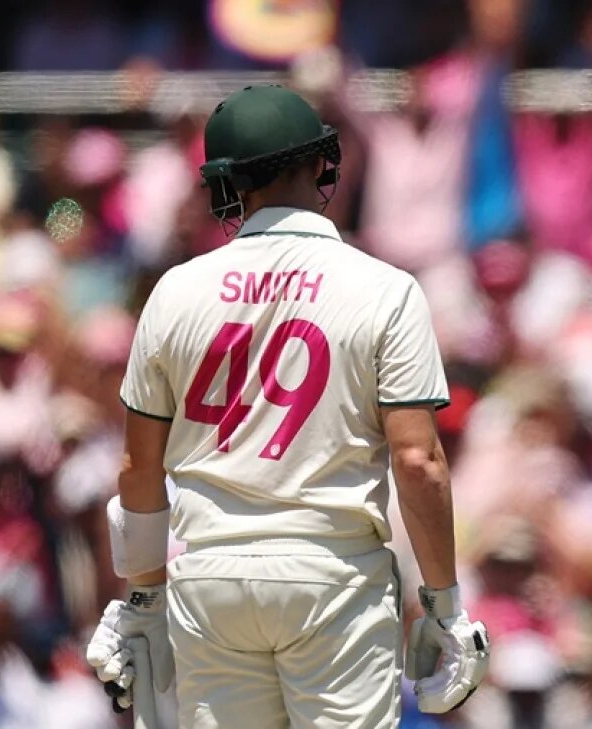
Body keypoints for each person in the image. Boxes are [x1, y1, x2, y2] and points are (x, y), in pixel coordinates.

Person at [83, 85, 489, 729]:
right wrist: (443, 605)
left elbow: (138, 465)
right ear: (319, 164)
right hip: (333, 578)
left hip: (209, 580)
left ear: (229, 185)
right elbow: (419, 460)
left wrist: (142, 594)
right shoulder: (387, 290)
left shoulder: (173, 291)